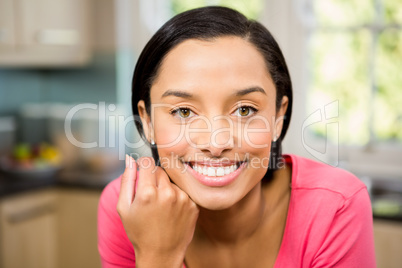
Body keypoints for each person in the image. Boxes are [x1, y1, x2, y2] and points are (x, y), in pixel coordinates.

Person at [98, 6, 376, 268]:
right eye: (183, 111)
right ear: (146, 121)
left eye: (245, 110)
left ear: (279, 117)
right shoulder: (129, 208)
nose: (216, 144)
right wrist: (158, 256)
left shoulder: (336, 205)